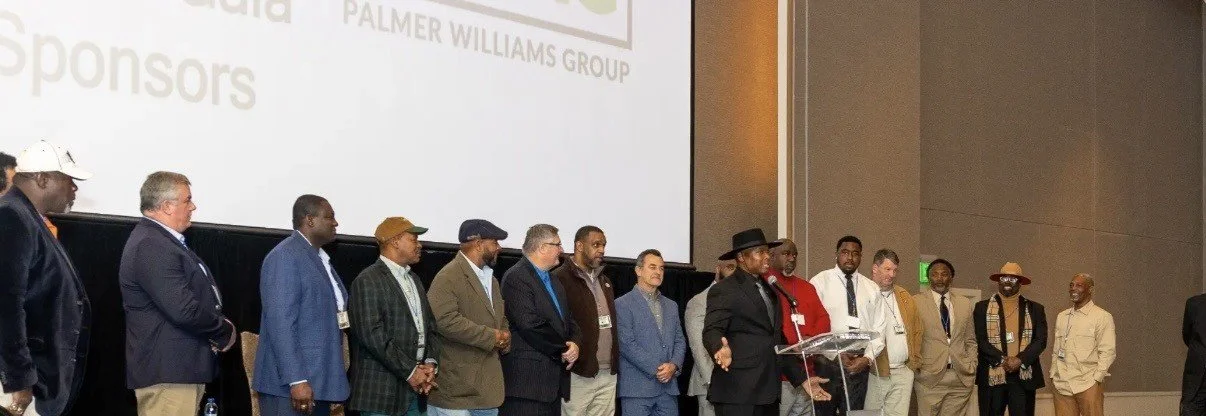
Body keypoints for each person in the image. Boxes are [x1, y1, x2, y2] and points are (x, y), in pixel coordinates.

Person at [119, 172, 236, 416]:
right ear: (167, 206)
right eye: (187, 200)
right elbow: (183, 310)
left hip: (178, 372)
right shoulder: (152, 245)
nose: (193, 207)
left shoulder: (161, 242)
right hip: (169, 373)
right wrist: (223, 331)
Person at [0, 140, 92, 416]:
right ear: (42, 179)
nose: (74, 189)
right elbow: (5, 305)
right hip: (19, 386)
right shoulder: (11, 216)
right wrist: (19, 378)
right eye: (69, 180)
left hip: (38, 380)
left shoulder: (28, 217)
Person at [704, 228, 830, 416]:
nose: (767, 257)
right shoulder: (725, 289)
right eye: (760, 252)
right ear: (741, 257)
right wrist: (718, 348)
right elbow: (712, 330)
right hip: (737, 394)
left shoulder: (770, 290)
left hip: (768, 395)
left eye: (767, 252)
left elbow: (777, 342)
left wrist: (802, 380)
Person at [254, 195, 350, 416]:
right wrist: (296, 379)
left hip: (318, 382)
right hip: (290, 387)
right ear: (310, 220)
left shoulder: (318, 258)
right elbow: (281, 323)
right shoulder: (285, 257)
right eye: (329, 217)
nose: (335, 222)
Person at [347, 217, 441, 416]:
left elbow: (430, 327)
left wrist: (430, 363)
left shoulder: (414, 279)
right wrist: (411, 371)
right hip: (381, 395)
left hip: (415, 391)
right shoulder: (367, 280)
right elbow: (372, 335)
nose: (419, 245)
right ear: (395, 241)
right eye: (413, 239)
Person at [427, 219, 511, 416]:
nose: (499, 248)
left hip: (485, 391)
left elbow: (500, 317)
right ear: (478, 244)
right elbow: (444, 320)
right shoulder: (448, 276)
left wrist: (505, 336)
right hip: (457, 392)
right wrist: (492, 337)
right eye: (494, 242)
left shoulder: (491, 279)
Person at [499, 224, 581, 416]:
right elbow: (529, 324)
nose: (562, 250)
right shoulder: (516, 277)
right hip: (526, 386)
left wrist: (575, 343)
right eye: (557, 245)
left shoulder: (554, 280)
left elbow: (569, 320)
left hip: (552, 387)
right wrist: (563, 349)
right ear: (543, 247)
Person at [809, 235, 888, 415]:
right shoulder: (820, 282)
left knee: (854, 413)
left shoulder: (872, 288)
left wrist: (867, 359)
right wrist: (835, 353)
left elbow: (879, 329)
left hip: (859, 364)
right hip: (827, 362)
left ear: (861, 257)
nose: (850, 258)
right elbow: (813, 327)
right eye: (845, 252)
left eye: (855, 253)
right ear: (836, 254)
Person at [551, 226, 618, 416]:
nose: (602, 250)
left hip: (607, 372)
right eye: (596, 245)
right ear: (579, 246)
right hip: (578, 373)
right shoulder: (559, 278)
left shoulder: (605, 280)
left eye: (603, 245)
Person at [763, 239, 830, 416]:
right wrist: (794, 345)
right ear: (771, 256)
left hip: (808, 374)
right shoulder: (764, 285)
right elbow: (772, 329)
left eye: (794, 254)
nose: (792, 258)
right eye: (786, 254)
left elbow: (824, 319)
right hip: (779, 378)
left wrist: (810, 342)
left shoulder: (807, 287)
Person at [615, 249, 686, 415]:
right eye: (652, 267)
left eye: (661, 268)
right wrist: (659, 369)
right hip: (637, 389)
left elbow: (680, 341)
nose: (658, 272)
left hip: (668, 389)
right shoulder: (622, 304)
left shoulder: (671, 305)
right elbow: (626, 344)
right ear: (638, 270)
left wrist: (674, 366)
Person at [973, 262, 1047, 416]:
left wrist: (1019, 360)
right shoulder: (982, 308)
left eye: (1013, 279)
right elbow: (981, 340)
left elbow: (1040, 341)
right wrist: (1003, 359)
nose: (1007, 282)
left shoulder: (1035, 309)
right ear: (998, 282)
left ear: (1020, 283)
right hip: (993, 375)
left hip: (1023, 376)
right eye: (1004, 278)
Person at [912, 259, 976, 416]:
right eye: (935, 274)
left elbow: (970, 340)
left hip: (960, 377)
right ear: (928, 278)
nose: (939, 278)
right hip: (929, 377)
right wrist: (917, 367)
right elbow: (911, 339)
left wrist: (972, 364)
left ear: (951, 278)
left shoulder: (964, 303)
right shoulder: (915, 302)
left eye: (944, 274)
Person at [863, 249, 921, 416]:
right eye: (887, 269)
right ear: (875, 268)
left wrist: (914, 363)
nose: (892, 274)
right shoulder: (864, 294)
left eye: (895, 270)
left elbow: (917, 330)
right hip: (876, 372)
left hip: (903, 372)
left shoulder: (904, 296)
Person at [1050, 273, 1115, 416]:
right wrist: (1053, 374)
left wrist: (1097, 379)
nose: (1073, 288)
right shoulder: (1062, 316)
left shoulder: (1102, 316)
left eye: (1079, 285)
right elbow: (1056, 349)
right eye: (1071, 285)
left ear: (1090, 289)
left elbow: (1108, 351)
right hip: (1061, 384)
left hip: (1088, 383)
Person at [686, 260, 736, 416]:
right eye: (730, 267)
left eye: (737, 269)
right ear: (717, 269)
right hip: (711, 383)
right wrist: (712, 383)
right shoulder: (700, 301)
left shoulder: (741, 300)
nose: (734, 273)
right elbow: (698, 346)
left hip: (739, 384)